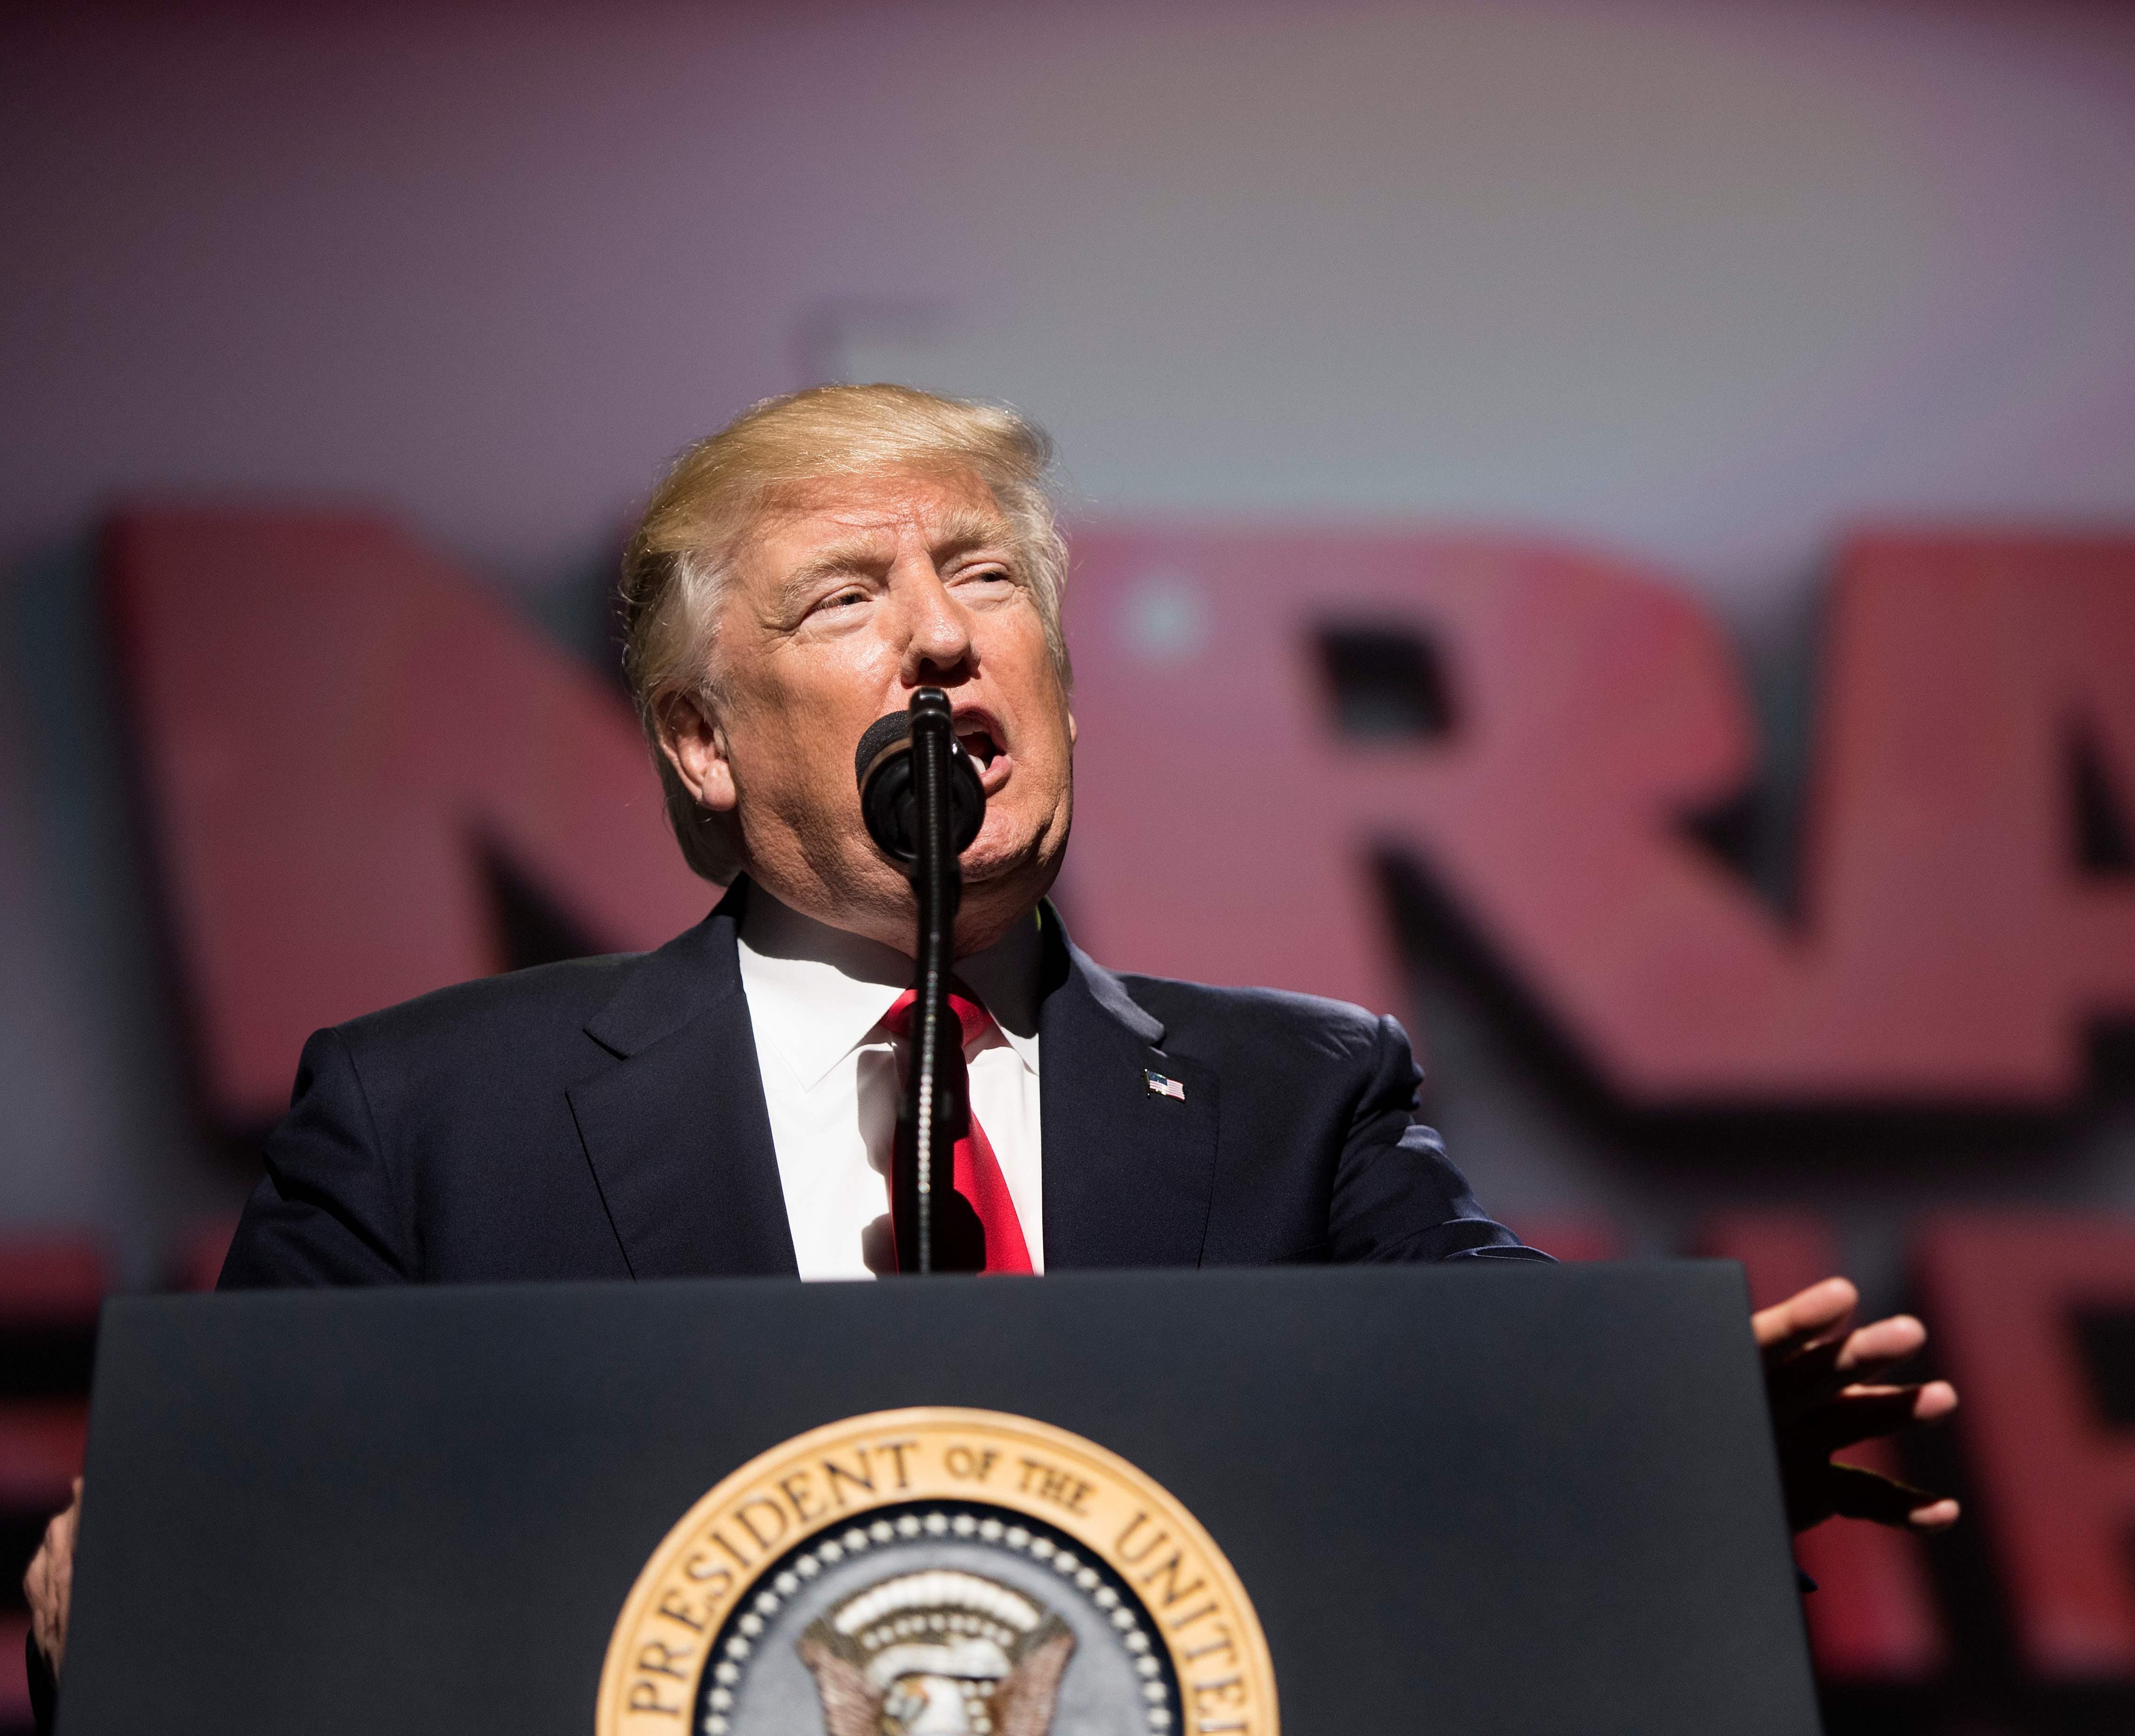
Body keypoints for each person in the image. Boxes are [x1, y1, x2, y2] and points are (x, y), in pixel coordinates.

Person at [22, 386, 1957, 1701]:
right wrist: (142, 1607)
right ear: (703, 743)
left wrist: (1665, 1452)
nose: (940, 640)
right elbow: (227, 1571)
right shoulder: (428, 1116)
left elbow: (1490, 1402)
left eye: (985, 579)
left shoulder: (1303, 1096)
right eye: (847, 597)